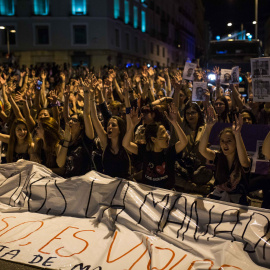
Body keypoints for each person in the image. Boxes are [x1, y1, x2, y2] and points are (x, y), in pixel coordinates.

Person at [123, 103, 188, 189]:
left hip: (166, 193)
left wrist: (174, 123)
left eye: (166, 132)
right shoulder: (145, 150)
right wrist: (132, 126)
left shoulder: (169, 151)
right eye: (162, 133)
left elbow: (184, 142)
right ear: (153, 139)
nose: (167, 136)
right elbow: (125, 144)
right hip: (148, 192)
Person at [199, 106, 251, 205]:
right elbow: (202, 150)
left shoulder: (243, 157)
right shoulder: (217, 157)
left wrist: (237, 134)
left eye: (229, 141)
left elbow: (244, 162)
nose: (225, 144)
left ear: (236, 143)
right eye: (222, 141)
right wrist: (208, 126)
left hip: (238, 201)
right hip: (218, 197)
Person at [89, 76, 130, 179]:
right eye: (108, 125)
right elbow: (94, 118)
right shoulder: (105, 142)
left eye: (113, 125)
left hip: (124, 186)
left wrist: (126, 98)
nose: (109, 127)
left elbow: (129, 120)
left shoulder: (126, 144)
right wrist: (92, 96)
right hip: (108, 186)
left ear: (120, 129)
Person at [56, 81, 95, 178]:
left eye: (74, 120)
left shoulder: (86, 139)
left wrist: (86, 92)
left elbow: (87, 114)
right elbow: (60, 164)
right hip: (68, 183)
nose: (70, 122)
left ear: (81, 125)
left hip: (84, 182)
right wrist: (66, 141)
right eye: (70, 120)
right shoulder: (64, 141)